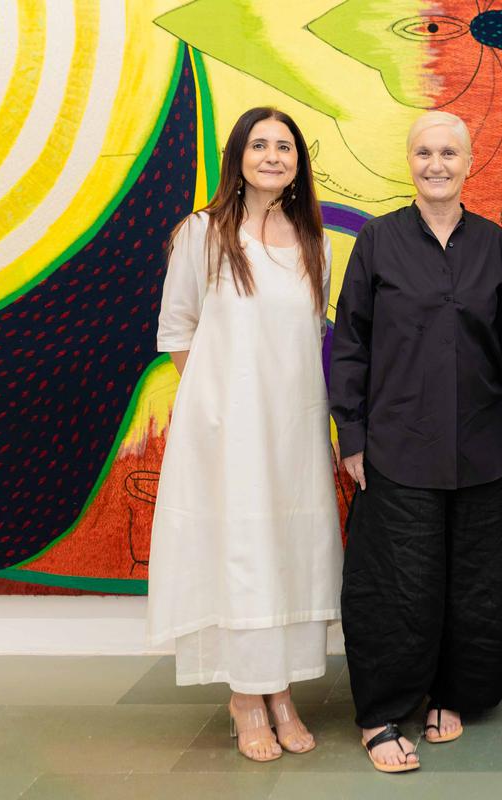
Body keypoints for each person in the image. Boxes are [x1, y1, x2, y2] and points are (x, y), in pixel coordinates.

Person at [329, 110, 502, 774]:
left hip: (480, 447)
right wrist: (350, 434)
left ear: (470, 162)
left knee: (474, 583)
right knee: (398, 585)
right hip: (396, 446)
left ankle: (452, 692)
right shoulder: (380, 241)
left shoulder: (495, 243)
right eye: (423, 152)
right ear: (408, 161)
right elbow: (349, 346)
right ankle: (380, 713)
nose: (436, 163)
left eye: (448, 152)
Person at [148, 108, 341, 762]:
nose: (272, 155)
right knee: (240, 551)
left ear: (298, 163)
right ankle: (245, 697)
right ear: (238, 156)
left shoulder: (317, 239)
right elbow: (178, 332)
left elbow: (310, 335)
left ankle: (281, 689)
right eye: (259, 144)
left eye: (284, 146)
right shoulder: (203, 233)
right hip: (227, 432)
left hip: (294, 428)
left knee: (290, 550)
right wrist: (219, 404)